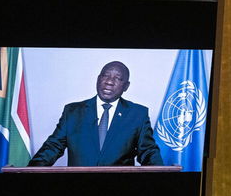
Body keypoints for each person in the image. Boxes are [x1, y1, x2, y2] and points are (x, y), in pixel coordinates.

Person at [28, 61, 163, 168]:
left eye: (117, 78)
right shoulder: (73, 112)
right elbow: (52, 147)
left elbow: (148, 152)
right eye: (105, 75)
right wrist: (30, 171)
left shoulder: (138, 114)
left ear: (126, 86)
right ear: (98, 79)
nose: (109, 82)